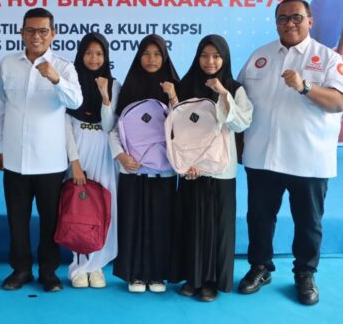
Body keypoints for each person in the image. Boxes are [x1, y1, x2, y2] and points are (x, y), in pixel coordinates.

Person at [237, 0, 343, 306]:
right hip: (262, 155)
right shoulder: (259, 56)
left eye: (297, 17)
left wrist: (305, 87)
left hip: (308, 158)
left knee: (308, 222)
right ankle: (260, 267)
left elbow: (339, 102)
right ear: (276, 23)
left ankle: (305, 273)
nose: (289, 23)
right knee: (259, 218)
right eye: (283, 18)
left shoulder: (327, 58)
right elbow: (238, 100)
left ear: (310, 21)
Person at [0, 8, 83, 293]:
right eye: (30, 30)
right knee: (17, 220)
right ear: (22, 33)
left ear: (53, 34)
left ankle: (48, 272)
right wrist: (0, 147)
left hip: (50, 162)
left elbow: (76, 102)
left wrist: (56, 79)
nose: (36, 36)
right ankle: (20, 270)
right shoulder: (8, 64)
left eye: (43, 31)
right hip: (15, 159)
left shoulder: (64, 67)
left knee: (49, 221)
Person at [170, 35, 253, 302]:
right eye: (204, 55)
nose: (210, 61)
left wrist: (223, 94)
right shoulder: (186, 86)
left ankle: (211, 281)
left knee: (218, 227)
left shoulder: (234, 88)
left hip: (220, 169)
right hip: (192, 169)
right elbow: (176, 128)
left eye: (216, 56)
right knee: (191, 224)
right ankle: (192, 278)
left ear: (224, 59)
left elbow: (241, 123)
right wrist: (184, 164)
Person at [110, 34, 180, 294]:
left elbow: (183, 129)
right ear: (138, 56)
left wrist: (173, 97)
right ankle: (136, 275)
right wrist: (121, 156)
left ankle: (158, 274)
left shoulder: (176, 88)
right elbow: (113, 129)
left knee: (161, 224)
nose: (151, 59)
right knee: (133, 222)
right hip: (134, 171)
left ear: (165, 57)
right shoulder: (127, 89)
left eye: (157, 54)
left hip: (164, 172)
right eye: (146, 53)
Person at [64, 33, 120, 289]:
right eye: (88, 53)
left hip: (104, 152)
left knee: (104, 206)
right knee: (79, 207)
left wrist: (105, 96)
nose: (94, 58)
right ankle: (78, 266)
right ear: (81, 55)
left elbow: (109, 126)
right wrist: (74, 161)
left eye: (99, 54)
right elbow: (65, 123)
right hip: (79, 149)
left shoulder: (114, 84)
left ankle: (96, 265)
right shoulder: (71, 82)